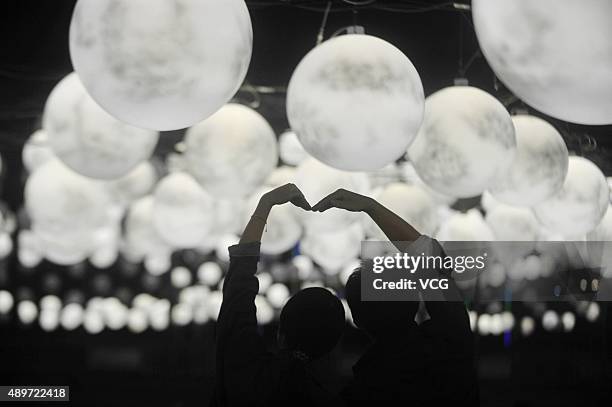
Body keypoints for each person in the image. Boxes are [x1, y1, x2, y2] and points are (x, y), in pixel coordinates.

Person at [312, 188, 479, 406]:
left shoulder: (364, 389)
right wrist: (370, 206)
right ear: (414, 298)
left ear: (357, 320)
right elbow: (430, 260)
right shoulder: (450, 342)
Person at [213, 183, 346, 407]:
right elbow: (237, 292)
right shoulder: (333, 399)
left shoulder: (246, 374)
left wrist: (266, 204)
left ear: (281, 334)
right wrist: (371, 207)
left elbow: (238, 293)